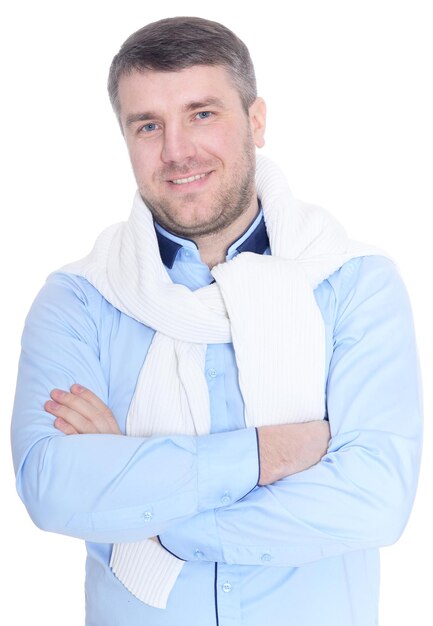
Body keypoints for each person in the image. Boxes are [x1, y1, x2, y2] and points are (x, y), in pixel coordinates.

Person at [11, 16, 422, 626]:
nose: (176, 150)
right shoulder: (80, 300)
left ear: (256, 122)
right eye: (148, 125)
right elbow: (52, 488)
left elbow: (375, 501)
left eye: (202, 114)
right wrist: (266, 455)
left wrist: (150, 509)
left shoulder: (353, 283)